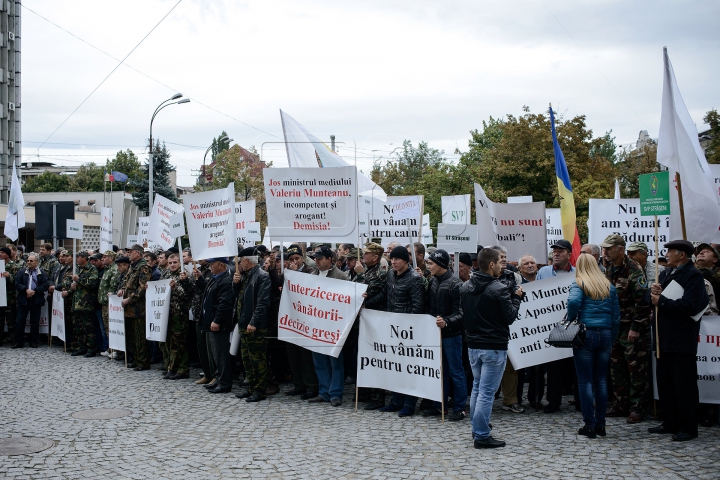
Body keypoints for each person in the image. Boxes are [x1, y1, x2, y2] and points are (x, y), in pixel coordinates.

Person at [647, 240, 709, 442]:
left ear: (682, 254)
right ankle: (670, 421)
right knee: (665, 383)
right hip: (663, 338)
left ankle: (688, 426)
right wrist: (654, 294)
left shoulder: (693, 275)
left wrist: (662, 301)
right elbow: (656, 302)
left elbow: (690, 306)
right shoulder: (665, 273)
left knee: (684, 386)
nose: (666, 254)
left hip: (681, 339)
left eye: (670, 251)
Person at [461, 248, 523, 448]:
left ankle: (477, 427)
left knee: (478, 388)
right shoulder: (499, 288)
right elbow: (510, 317)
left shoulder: (465, 287)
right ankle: (481, 434)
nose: (501, 266)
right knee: (486, 391)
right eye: (499, 262)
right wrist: (517, 298)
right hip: (494, 346)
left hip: (474, 345)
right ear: (491, 265)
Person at [567, 254, 620, 438]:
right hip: (605, 333)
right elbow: (616, 316)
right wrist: (611, 338)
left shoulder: (579, 282)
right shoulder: (608, 286)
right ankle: (601, 424)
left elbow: (573, 302)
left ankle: (589, 424)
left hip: (586, 333)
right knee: (601, 380)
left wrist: (570, 318)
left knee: (585, 381)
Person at [599, 234, 650, 424]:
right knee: (616, 367)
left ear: (620, 249)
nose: (606, 252)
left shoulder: (634, 269)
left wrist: (636, 327)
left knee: (636, 368)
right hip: (615, 327)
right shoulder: (610, 269)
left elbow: (643, 302)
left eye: (609, 248)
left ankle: (638, 407)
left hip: (631, 327)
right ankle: (621, 404)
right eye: (604, 248)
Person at [378, 245, 426, 417]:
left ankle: (409, 404)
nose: (393, 262)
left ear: (406, 260)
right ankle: (396, 401)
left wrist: (408, 328)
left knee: (409, 368)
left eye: (397, 259)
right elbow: (385, 295)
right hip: (392, 328)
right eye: (391, 259)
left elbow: (418, 306)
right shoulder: (391, 274)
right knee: (396, 368)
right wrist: (365, 302)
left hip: (407, 331)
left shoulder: (414, 278)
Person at [424, 249, 467, 421]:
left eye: (431, 263)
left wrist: (447, 322)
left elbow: (463, 312)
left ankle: (459, 407)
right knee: (440, 371)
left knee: (456, 372)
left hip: (452, 335)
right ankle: (440, 405)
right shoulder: (433, 281)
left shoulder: (456, 284)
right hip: (436, 334)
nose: (428, 266)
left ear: (441, 265)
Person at [536, 240, 577, 413]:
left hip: (572, 326)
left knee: (575, 366)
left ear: (569, 254)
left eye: (560, 251)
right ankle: (553, 402)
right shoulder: (544, 272)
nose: (556, 254)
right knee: (553, 367)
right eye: (555, 251)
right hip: (550, 327)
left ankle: (580, 401)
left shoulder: (576, 273)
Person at [307, 245, 349, 406]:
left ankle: (335, 393)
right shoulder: (312, 275)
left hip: (334, 326)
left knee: (335, 362)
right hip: (316, 325)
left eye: (319, 258)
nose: (316, 261)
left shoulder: (340, 277)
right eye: (315, 258)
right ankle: (324, 391)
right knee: (319, 361)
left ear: (329, 259)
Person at [233, 247, 272, 402]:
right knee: (247, 359)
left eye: (241, 261)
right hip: (244, 324)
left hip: (255, 326)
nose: (239, 264)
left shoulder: (262, 277)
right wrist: (236, 284)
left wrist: (254, 322)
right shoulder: (245, 276)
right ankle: (251, 387)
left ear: (247, 260)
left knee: (258, 359)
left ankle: (260, 390)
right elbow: (239, 298)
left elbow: (263, 303)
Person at [490, 246, 524, 414]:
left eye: (505, 256)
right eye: (499, 257)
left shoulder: (514, 277)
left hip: (511, 327)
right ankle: (487, 400)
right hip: (491, 328)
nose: (503, 259)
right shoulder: (483, 278)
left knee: (510, 367)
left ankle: (510, 400)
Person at [283, 245, 319, 400]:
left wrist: (294, 274)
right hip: (291, 319)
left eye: (297, 258)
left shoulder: (310, 271)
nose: (294, 261)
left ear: (302, 259)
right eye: (291, 259)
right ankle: (298, 385)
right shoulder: (286, 272)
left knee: (306, 357)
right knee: (293, 355)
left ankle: (311, 386)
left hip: (306, 320)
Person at [194, 257, 235, 394]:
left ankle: (224, 383)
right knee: (216, 354)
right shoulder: (216, 278)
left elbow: (224, 304)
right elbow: (207, 291)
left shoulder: (226, 281)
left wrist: (217, 320)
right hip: (211, 321)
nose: (210, 266)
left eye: (213, 264)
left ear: (221, 265)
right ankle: (218, 378)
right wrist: (200, 279)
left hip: (220, 324)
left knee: (221, 354)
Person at [360, 242, 389, 410]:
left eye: (366, 254)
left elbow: (368, 291)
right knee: (365, 355)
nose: (363, 256)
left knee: (376, 358)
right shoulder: (369, 270)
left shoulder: (379, 273)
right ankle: (365, 391)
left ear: (375, 257)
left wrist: (366, 304)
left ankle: (377, 397)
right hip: (367, 319)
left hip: (376, 319)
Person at [159, 253, 194, 379]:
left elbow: (188, 295)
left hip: (179, 313)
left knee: (179, 342)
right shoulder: (166, 273)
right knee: (168, 341)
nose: (172, 265)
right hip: (166, 312)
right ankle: (172, 366)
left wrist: (175, 289)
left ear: (180, 263)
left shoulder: (185, 275)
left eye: (175, 262)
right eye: (170, 263)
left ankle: (181, 369)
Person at [118, 245, 152, 371]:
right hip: (130, 308)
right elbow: (128, 283)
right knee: (132, 335)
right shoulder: (133, 266)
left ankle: (143, 361)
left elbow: (143, 287)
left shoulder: (143, 267)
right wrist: (123, 290)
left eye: (130, 252)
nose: (128, 254)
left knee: (139, 336)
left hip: (138, 307)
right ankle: (137, 359)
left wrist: (129, 299)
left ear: (138, 253)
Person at [13, 253, 49, 349]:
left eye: (31, 261)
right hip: (23, 299)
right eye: (28, 260)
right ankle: (18, 341)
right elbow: (17, 283)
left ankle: (33, 341)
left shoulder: (41, 273)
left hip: (36, 299)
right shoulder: (21, 272)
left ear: (36, 262)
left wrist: (35, 291)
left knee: (35, 321)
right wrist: (26, 290)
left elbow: (45, 284)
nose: (29, 262)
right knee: (20, 321)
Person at [69, 251, 100, 357]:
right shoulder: (77, 269)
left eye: (78, 257)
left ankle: (91, 348)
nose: (76, 259)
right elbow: (73, 282)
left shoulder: (92, 269)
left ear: (85, 258)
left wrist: (79, 280)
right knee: (79, 327)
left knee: (89, 327)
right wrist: (72, 285)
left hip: (87, 303)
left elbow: (93, 284)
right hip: (77, 302)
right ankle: (81, 347)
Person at [97, 251, 119, 357]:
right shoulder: (107, 269)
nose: (102, 259)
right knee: (106, 327)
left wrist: (109, 298)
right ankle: (110, 348)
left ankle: (115, 349)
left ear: (111, 258)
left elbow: (113, 286)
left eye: (105, 257)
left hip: (110, 303)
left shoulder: (114, 269)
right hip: (104, 303)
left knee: (111, 326)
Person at [0, 247, 19, 345]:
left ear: (7, 254)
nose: (0, 254)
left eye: (2, 252)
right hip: (0, 297)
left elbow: (18, 280)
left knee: (11, 319)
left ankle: (12, 339)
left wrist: (9, 276)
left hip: (9, 297)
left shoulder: (13, 265)